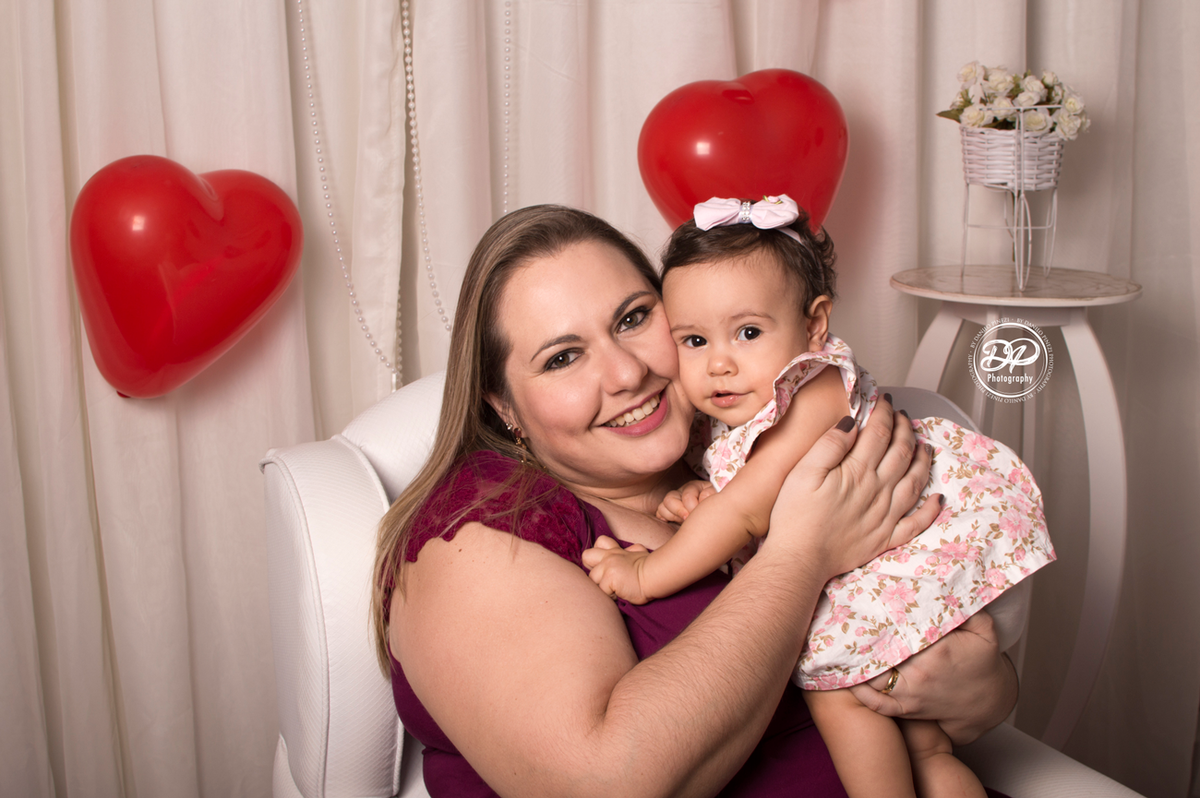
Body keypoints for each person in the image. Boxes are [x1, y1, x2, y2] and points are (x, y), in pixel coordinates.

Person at [371, 203, 1020, 797]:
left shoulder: (741, 446)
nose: (626, 373)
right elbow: (601, 786)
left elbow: (928, 665)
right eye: (564, 357)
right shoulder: (474, 538)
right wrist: (803, 553)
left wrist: (980, 692)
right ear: (503, 403)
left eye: (632, 319)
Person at [583, 195, 1054, 797]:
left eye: (747, 332)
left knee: (839, 697)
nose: (719, 363)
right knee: (926, 751)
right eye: (693, 341)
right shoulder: (737, 417)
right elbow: (759, 494)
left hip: (899, 563)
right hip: (883, 572)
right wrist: (706, 490)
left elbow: (751, 508)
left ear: (814, 324)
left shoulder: (817, 384)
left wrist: (646, 573)